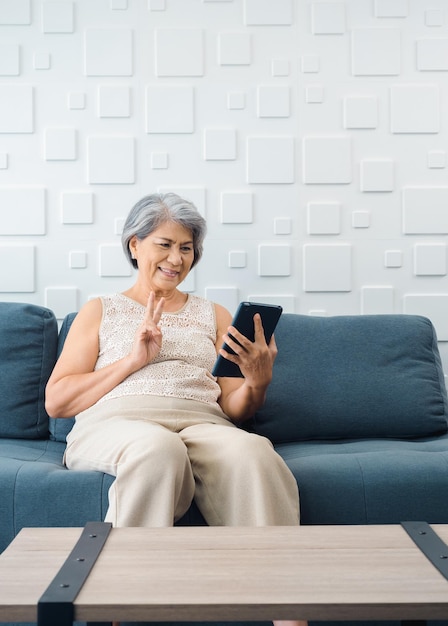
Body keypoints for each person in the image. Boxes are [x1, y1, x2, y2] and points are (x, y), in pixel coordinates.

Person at [45, 192, 306, 626]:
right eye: (164, 244)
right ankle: (119, 612)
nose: (176, 258)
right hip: (121, 422)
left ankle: (288, 616)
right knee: (157, 449)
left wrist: (258, 380)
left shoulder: (214, 313)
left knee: (254, 452)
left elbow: (234, 407)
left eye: (186, 248)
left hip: (203, 421)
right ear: (135, 245)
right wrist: (132, 361)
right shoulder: (100, 310)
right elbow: (58, 401)